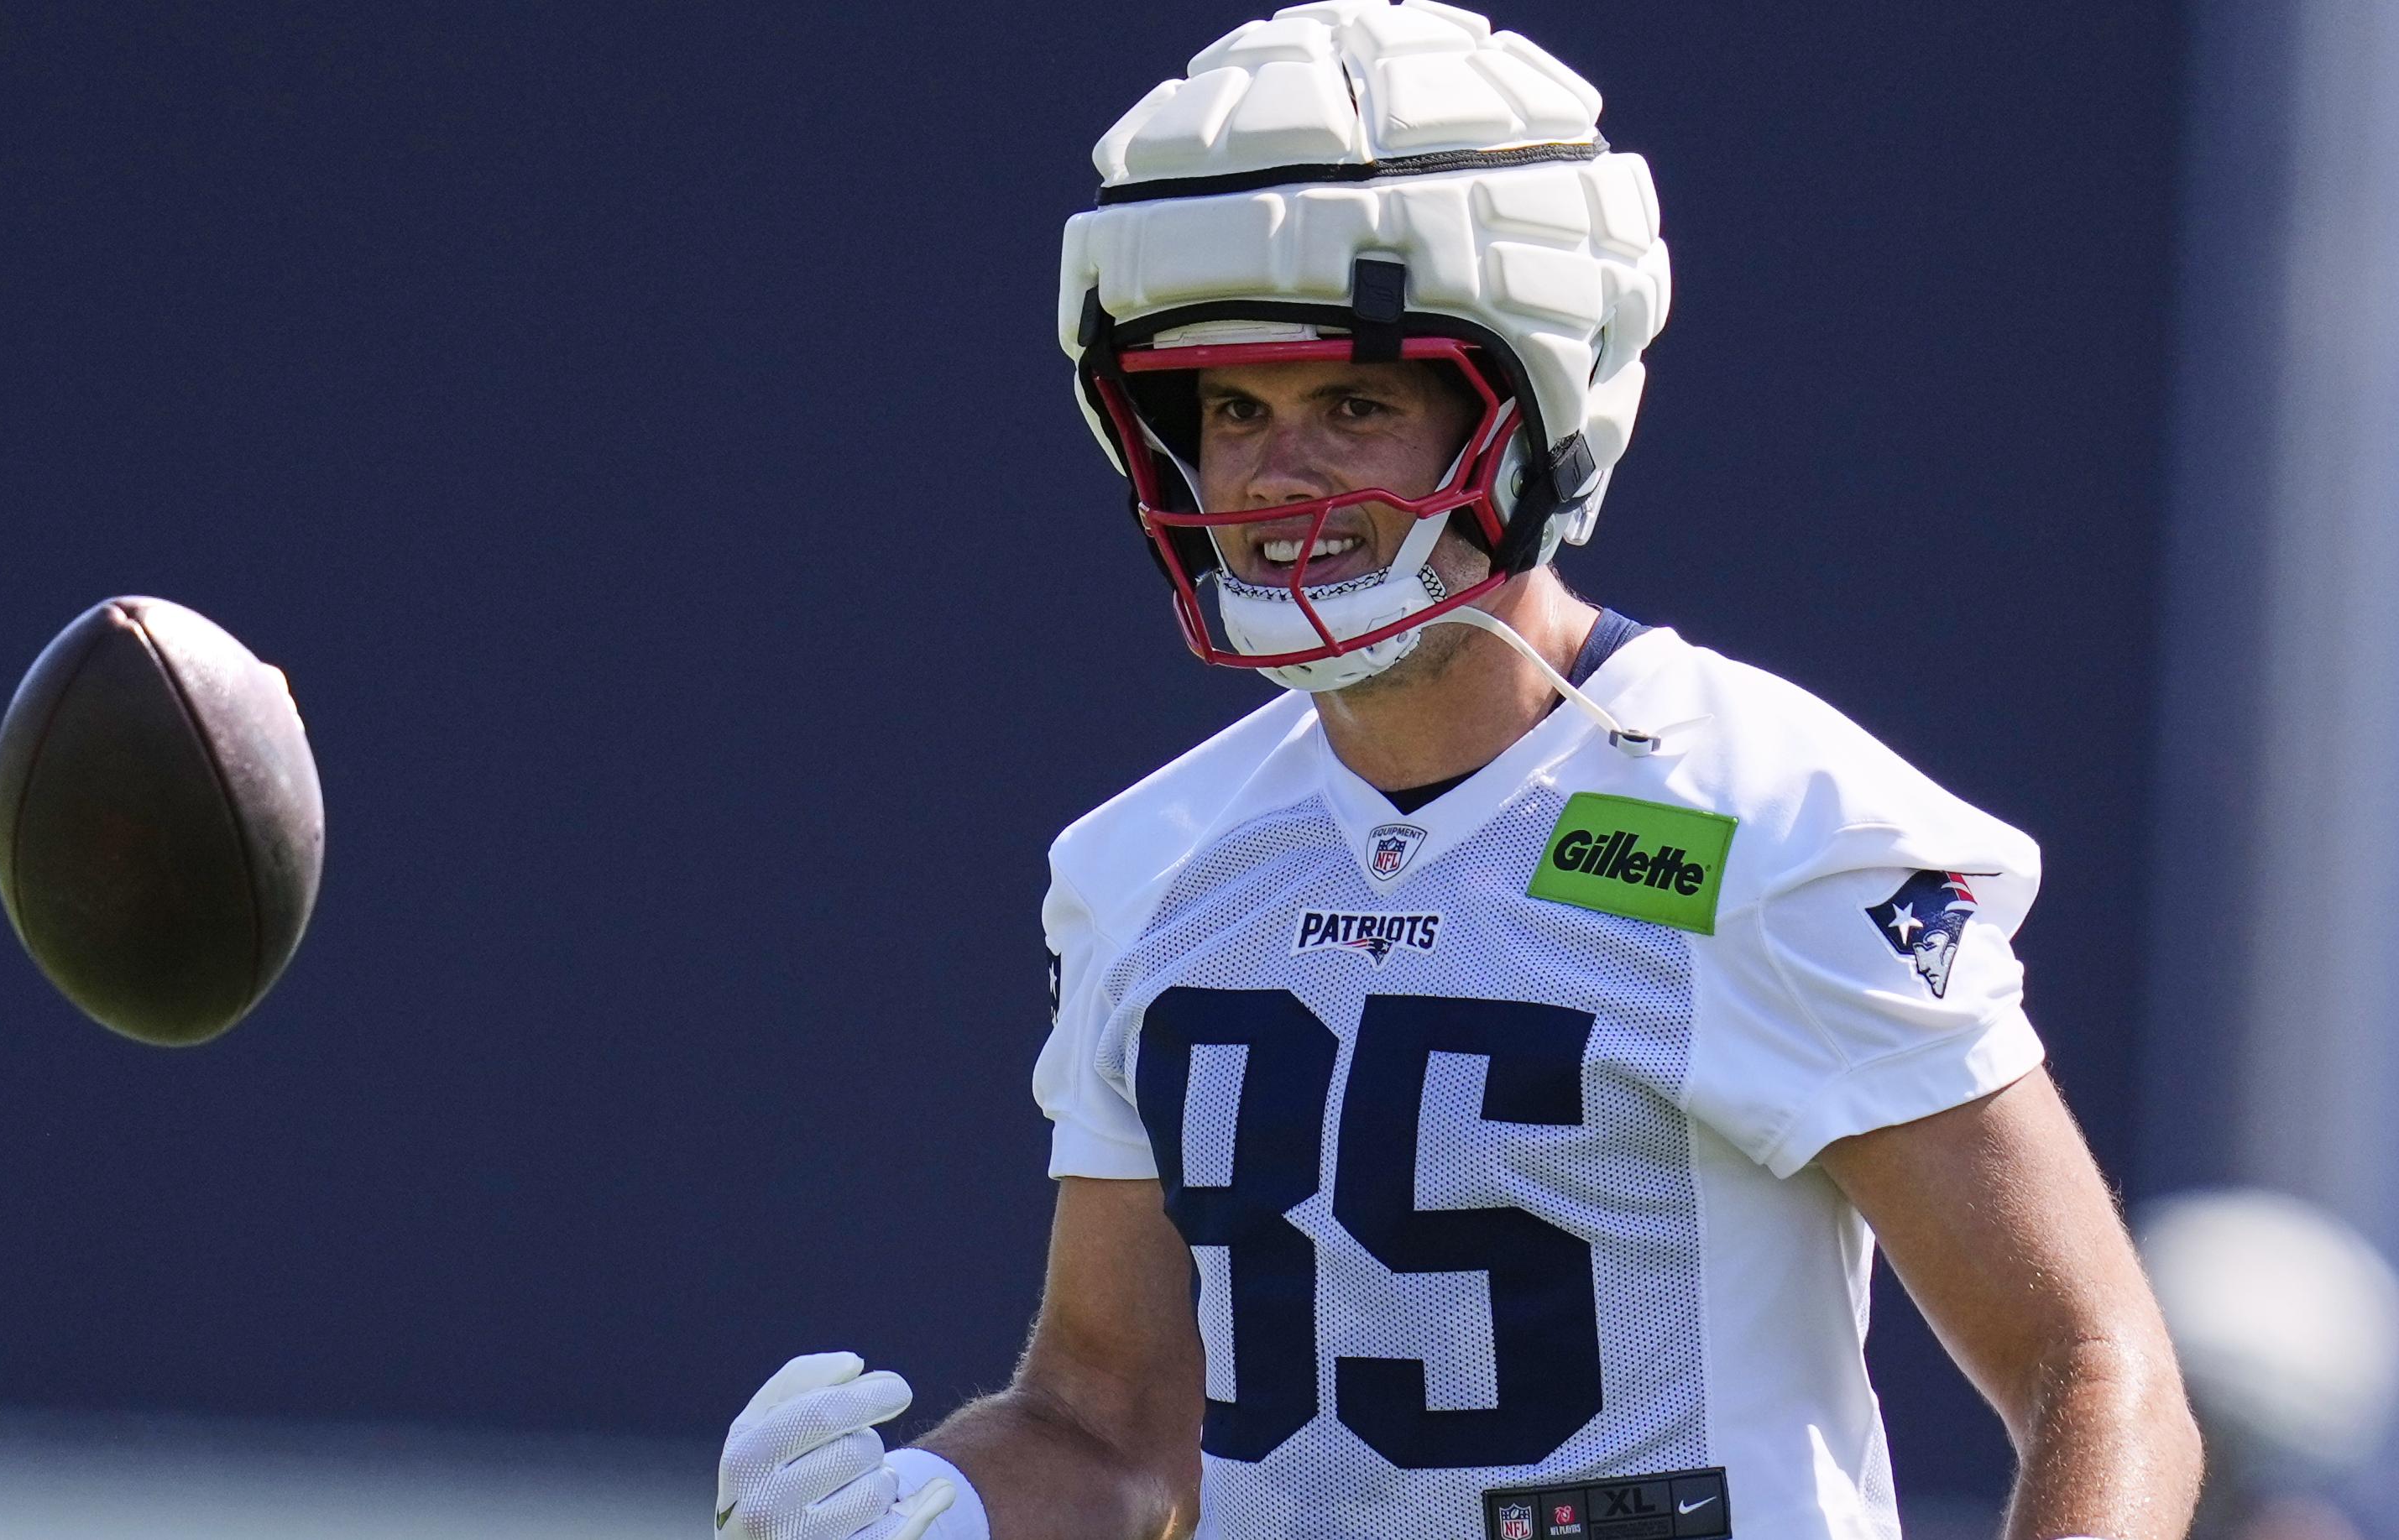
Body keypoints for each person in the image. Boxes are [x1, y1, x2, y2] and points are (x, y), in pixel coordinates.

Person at [715, 4, 2203, 1537]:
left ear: (1529, 423)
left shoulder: (1769, 825)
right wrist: (930, 1511)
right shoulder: (1149, 865)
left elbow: (2093, 1369)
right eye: (1234, 411)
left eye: (1353, 404)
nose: (1277, 477)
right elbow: (1107, 1428)